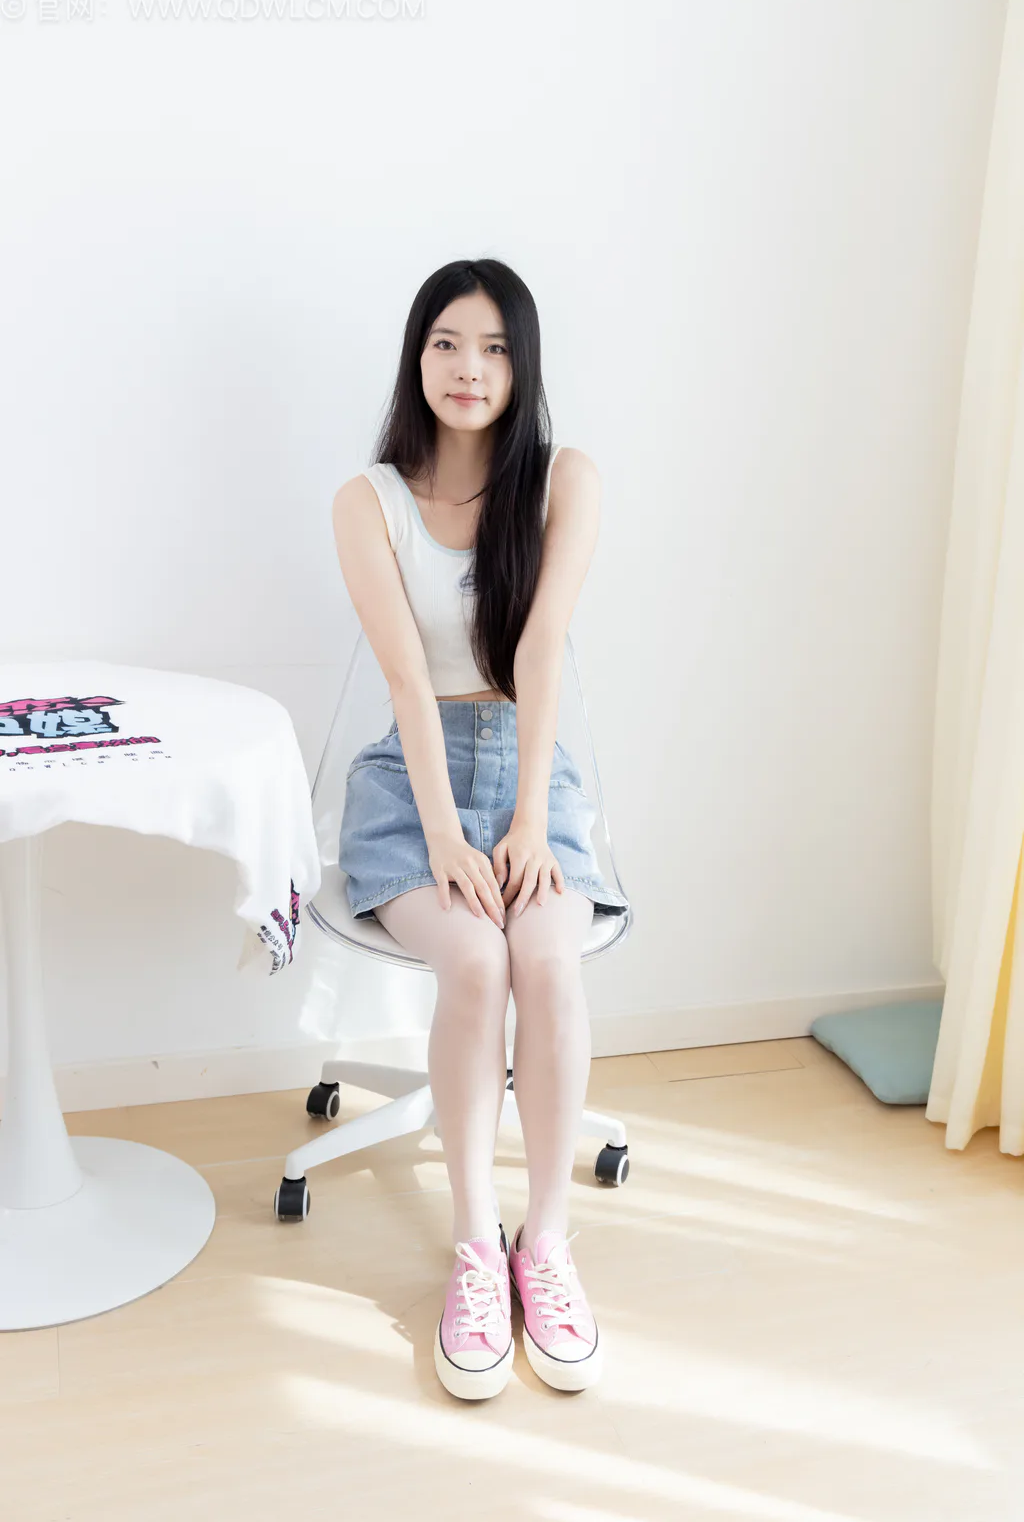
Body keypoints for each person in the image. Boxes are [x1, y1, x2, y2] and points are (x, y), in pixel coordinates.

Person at [332, 258, 627, 1402]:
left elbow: (540, 649)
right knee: (474, 958)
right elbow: (408, 681)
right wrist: (448, 834)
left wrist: (525, 821)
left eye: (496, 347)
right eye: (449, 342)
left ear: (523, 363)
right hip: (411, 786)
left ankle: (542, 1243)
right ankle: (473, 1242)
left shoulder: (563, 481)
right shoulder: (368, 501)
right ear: (418, 355)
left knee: (545, 960)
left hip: (529, 772)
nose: (471, 367)